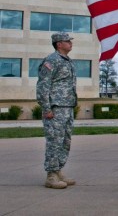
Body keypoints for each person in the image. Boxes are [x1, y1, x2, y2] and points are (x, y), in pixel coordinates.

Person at [36, 32, 78, 189]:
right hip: (55, 108)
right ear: (59, 44)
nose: (70, 43)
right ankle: (51, 175)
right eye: (67, 41)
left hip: (67, 107)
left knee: (65, 141)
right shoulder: (51, 60)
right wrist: (46, 107)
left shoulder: (67, 61)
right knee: (54, 141)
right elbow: (43, 85)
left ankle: (58, 170)